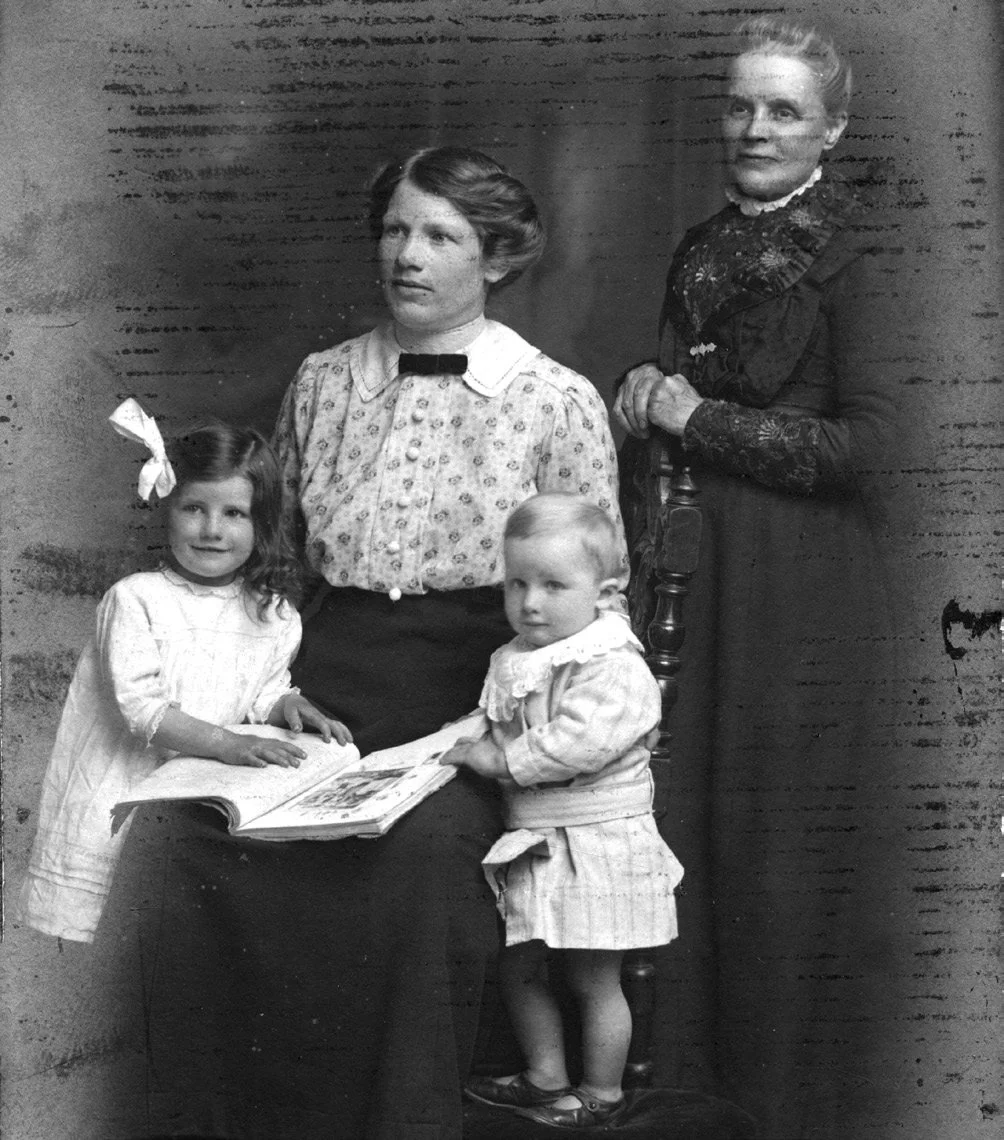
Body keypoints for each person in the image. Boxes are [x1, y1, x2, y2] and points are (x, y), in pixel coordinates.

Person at [120, 146, 624, 1140]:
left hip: (475, 693)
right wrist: (266, 691)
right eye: (395, 229)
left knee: (418, 871)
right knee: (185, 842)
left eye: (440, 235)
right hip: (324, 680)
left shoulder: (551, 399)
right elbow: (278, 570)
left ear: (497, 257)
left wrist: (514, 731)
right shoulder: (321, 383)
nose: (408, 253)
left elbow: (595, 607)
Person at [614, 17, 898, 1136]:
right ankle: (679, 1082)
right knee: (679, 816)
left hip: (805, 589)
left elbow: (876, 447)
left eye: (782, 109)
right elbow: (681, 395)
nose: (753, 128)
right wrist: (645, 393)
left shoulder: (862, 250)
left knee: (773, 838)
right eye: (739, 105)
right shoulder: (697, 245)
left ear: (830, 126)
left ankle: (777, 1103)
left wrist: (698, 417)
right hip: (694, 572)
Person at [17, 401, 349, 944]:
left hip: (197, 793)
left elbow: (264, 690)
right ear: (165, 509)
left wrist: (292, 707)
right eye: (194, 508)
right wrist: (227, 743)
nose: (213, 530)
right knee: (110, 934)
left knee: (180, 926)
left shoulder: (273, 611)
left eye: (235, 514)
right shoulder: (137, 600)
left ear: (261, 523)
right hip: (125, 786)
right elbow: (142, 711)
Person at [441, 493, 683, 1130]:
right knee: (519, 963)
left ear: (602, 592)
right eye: (517, 583)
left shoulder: (612, 663)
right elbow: (495, 717)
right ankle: (547, 1074)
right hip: (538, 839)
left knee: (593, 979)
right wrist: (456, 740)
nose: (530, 602)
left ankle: (600, 1093)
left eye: (553, 585)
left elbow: (578, 742)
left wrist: (497, 761)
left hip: (597, 838)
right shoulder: (517, 656)